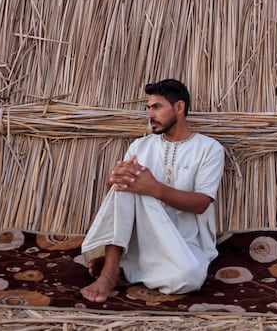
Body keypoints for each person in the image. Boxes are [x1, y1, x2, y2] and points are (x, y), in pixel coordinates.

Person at [80, 79, 225, 302]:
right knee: (127, 181)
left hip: (184, 242)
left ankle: (128, 269)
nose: (150, 115)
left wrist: (154, 188)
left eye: (156, 107)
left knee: (190, 277)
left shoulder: (208, 149)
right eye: (149, 108)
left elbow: (201, 204)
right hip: (142, 237)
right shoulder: (140, 147)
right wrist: (112, 180)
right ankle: (110, 271)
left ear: (179, 107)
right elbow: (117, 197)